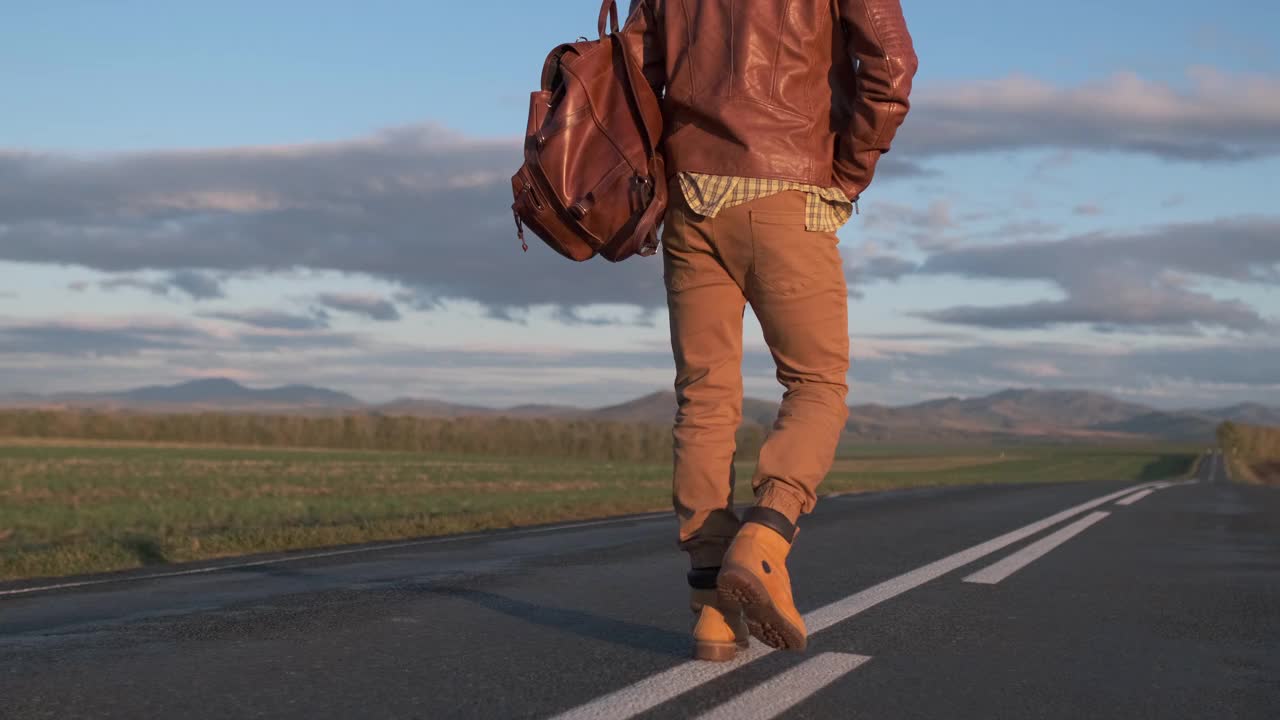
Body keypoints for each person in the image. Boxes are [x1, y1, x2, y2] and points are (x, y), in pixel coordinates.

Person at [623, 0, 918, 661]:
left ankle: (710, 608)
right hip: (788, 188)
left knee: (704, 396)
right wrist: (848, 172)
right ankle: (763, 541)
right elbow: (893, 65)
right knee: (817, 384)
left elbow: (637, 71)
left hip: (691, 196)